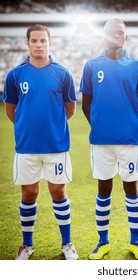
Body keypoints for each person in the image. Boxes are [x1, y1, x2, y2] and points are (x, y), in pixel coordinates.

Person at [3, 24, 78, 260]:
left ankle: (67, 244)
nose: (38, 45)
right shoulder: (16, 74)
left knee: (58, 191)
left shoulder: (63, 73)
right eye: (34, 41)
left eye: (43, 41)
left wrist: (52, 126)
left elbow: (70, 109)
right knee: (28, 194)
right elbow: (11, 109)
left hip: (56, 145)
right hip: (27, 146)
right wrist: (28, 126)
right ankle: (27, 245)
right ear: (27, 43)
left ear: (49, 43)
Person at [80, 18, 138, 260]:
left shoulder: (137, 66)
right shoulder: (91, 65)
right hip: (101, 140)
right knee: (104, 188)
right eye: (112, 32)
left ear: (125, 37)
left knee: (131, 188)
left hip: (130, 139)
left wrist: (127, 122)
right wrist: (101, 124)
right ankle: (103, 242)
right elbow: (86, 104)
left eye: (120, 32)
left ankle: (135, 242)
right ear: (105, 36)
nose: (116, 36)